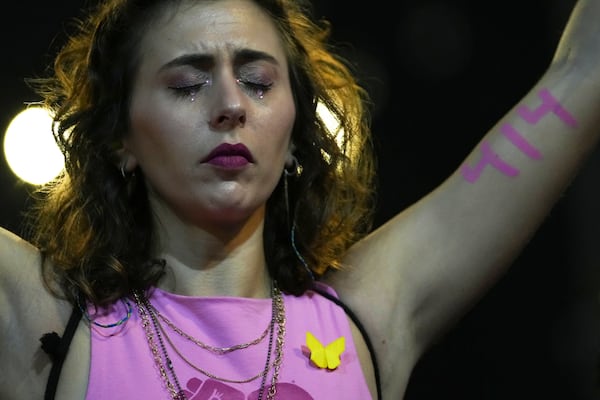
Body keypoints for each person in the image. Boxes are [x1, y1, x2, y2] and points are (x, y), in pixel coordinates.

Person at [1, 0, 600, 398]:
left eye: (259, 82)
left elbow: (582, 74)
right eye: (188, 84)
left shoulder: (364, 320)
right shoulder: (50, 326)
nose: (232, 105)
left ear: (294, 135)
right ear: (122, 138)